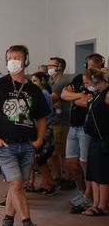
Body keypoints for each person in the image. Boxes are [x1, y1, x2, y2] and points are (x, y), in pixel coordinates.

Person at [0, 45, 49, 226]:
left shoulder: (33, 90)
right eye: (9, 58)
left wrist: (39, 139)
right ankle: (28, 225)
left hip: (27, 145)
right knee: (17, 184)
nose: (13, 61)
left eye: (17, 58)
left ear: (25, 61)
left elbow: (41, 118)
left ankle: (7, 221)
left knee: (16, 186)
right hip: (5, 144)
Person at [61, 53, 104, 213]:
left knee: (86, 164)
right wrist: (79, 96)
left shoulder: (100, 84)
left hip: (86, 129)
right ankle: (82, 191)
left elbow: (89, 103)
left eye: (95, 68)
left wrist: (74, 98)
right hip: (73, 127)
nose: (91, 71)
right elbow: (64, 95)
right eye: (89, 67)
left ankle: (89, 195)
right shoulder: (79, 78)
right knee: (71, 163)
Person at [26, 72, 60, 196]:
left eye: (35, 81)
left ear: (42, 82)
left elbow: (41, 114)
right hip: (41, 127)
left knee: (40, 159)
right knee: (39, 159)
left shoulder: (44, 94)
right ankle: (46, 182)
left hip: (44, 128)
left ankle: (50, 183)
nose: (33, 83)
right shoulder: (41, 93)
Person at [81, 69, 109, 216]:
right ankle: (95, 203)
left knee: (102, 173)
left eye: (87, 82)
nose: (86, 86)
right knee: (93, 174)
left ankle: (103, 205)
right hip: (94, 139)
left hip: (104, 139)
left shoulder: (107, 94)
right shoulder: (96, 95)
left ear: (96, 80)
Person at [46, 57, 72, 188]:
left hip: (61, 122)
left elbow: (49, 99)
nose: (49, 67)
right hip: (53, 121)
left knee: (62, 153)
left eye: (52, 65)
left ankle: (68, 179)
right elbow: (50, 102)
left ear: (60, 67)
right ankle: (58, 177)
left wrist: (49, 101)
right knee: (53, 152)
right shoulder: (52, 82)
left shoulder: (62, 82)